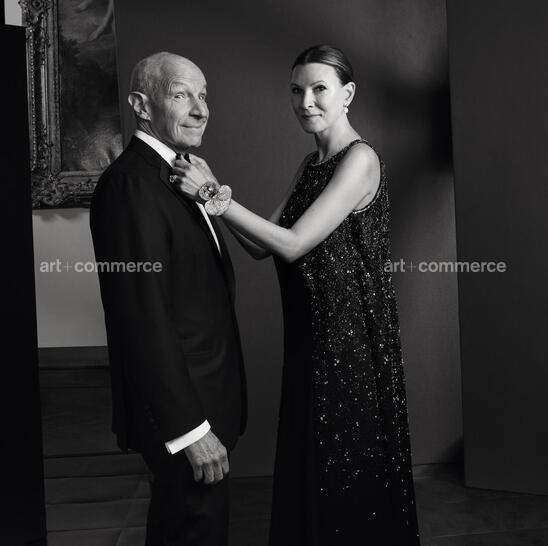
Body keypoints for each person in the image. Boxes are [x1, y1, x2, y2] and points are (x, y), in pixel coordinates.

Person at [171, 44, 421, 545]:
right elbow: (262, 244)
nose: (306, 101)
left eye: (319, 88)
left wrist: (211, 195)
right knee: (314, 462)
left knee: (347, 468)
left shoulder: (360, 159)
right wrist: (213, 191)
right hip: (312, 336)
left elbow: (293, 244)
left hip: (350, 345)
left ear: (347, 94)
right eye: (296, 90)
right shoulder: (311, 164)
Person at [89, 52, 247, 546]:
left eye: (203, 96)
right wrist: (190, 430)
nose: (201, 109)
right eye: (182, 95)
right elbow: (141, 319)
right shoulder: (130, 186)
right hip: (186, 417)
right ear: (141, 105)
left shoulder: (181, 176)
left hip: (205, 401)